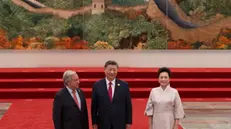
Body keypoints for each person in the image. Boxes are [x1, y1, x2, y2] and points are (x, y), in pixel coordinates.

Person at [91, 60, 132, 129]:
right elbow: (94, 106)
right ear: (104, 70)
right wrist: (94, 122)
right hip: (103, 123)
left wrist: (128, 122)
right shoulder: (97, 85)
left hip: (119, 123)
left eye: (114, 70)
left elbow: (128, 105)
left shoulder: (124, 85)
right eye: (110, 69)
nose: (112, 72)